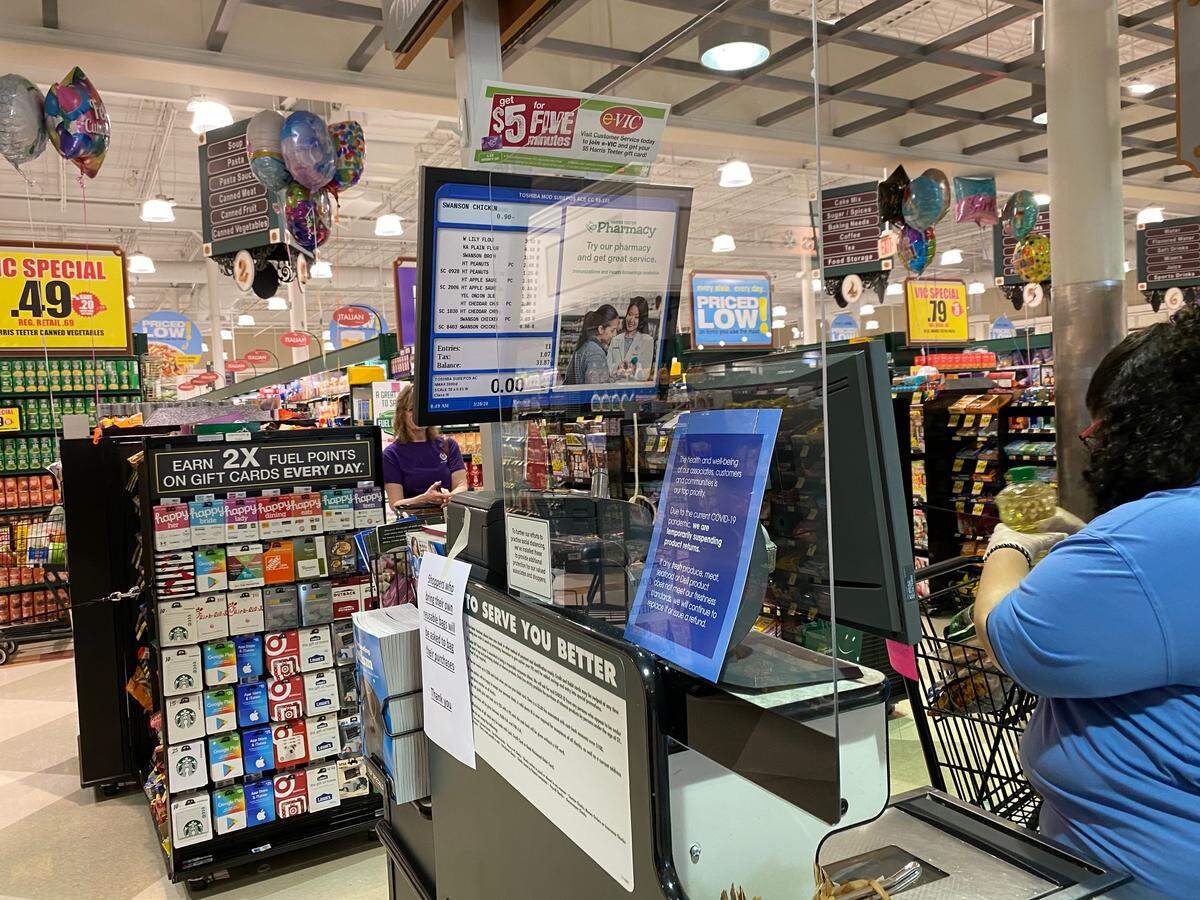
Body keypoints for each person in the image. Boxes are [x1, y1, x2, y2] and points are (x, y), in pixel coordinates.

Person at [973, 306, 1200, 898]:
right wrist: (1080, 534)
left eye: (1097, 430)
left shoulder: (1154, 536)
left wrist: (1009, 544)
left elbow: (1007, 636)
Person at [382, 384, 467, 511]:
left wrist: (449, 497)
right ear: (401, 414)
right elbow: (396, 504)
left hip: (449, 518)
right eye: (412, 409)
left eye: (424, 409)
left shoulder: (448, 445)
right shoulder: (391, 454)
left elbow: (462, 485)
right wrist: (424, 499)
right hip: (414, 521)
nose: (419, 415)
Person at [562, 304, 619, 385]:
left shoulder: (584, 346)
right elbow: (596, 389)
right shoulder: (596, 353)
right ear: (601, 329)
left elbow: (569, 382)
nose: (614, 335)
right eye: (612, 331)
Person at [607, 296, 655, 381]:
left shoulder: (647, 341)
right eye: (630, 314)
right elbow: (607, 367)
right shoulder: (615, 339)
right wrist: (618, 367)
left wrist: (633, 369)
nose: (631, 320)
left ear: (642, 320)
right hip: (615, 387)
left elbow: (645, 374)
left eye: (636, 317)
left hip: (633, 388)